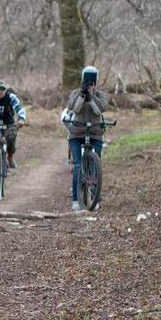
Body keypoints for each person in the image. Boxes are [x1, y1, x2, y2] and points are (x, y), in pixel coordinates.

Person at [62, 66, 109, 211]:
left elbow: (101, 109)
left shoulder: (100, 95)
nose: (90, 83)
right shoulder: (76, 93)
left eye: (92, 79)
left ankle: (95, 197)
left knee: (95, 165)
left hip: (95, 133)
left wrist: (92, 96)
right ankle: (76, 199)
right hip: (77, 133)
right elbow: (72, 108)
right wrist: (82, 95)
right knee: (77, 165)